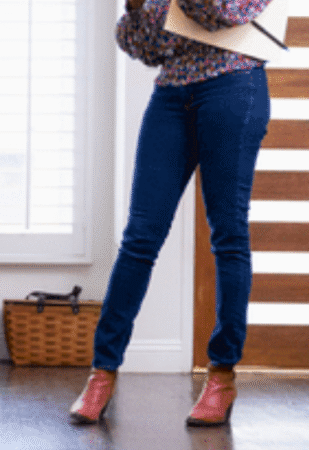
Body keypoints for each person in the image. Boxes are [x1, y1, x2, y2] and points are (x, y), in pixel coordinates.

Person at [69, 0, 274, 426]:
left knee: (228, 234)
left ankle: (221, 375)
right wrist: (137, 7)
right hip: (172, 92)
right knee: (140, 237)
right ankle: (102, 372)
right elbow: (149, 47)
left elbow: (227, 11)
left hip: (234, 84)